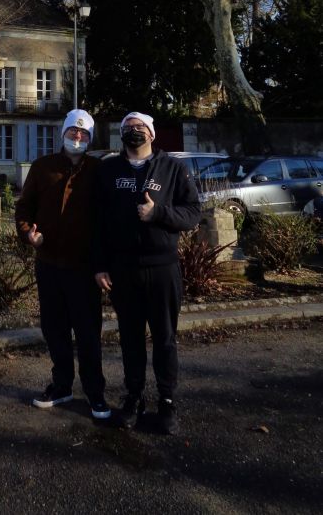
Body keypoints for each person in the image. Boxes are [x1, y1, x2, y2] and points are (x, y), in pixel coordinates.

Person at [93, 111, 200, 434]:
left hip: (163, 268)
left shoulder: (173, 169)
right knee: (130, 339)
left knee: (165, 338)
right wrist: (99, 265)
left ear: (152, 134)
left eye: (140, 128)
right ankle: (133, 398)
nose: (133, 132)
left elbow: (193, 213)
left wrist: (158, 213)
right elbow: (96, 222)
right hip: (123, 270)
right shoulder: (108, 169)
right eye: (128, 128)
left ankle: (166, 402)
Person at [15, 108, 110, 418]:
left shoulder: (99, 170)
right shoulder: (43, 168)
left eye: (83, 133)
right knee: (54, 329)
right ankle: (62, 385)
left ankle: (95, 393)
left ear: (90, 138)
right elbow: (24, 208)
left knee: (87, 332)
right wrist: (29, 233)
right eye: (73, 131)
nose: (78, 136)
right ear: (64, 134)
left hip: (83, 267)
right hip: (49, 263)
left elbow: (109, 217)